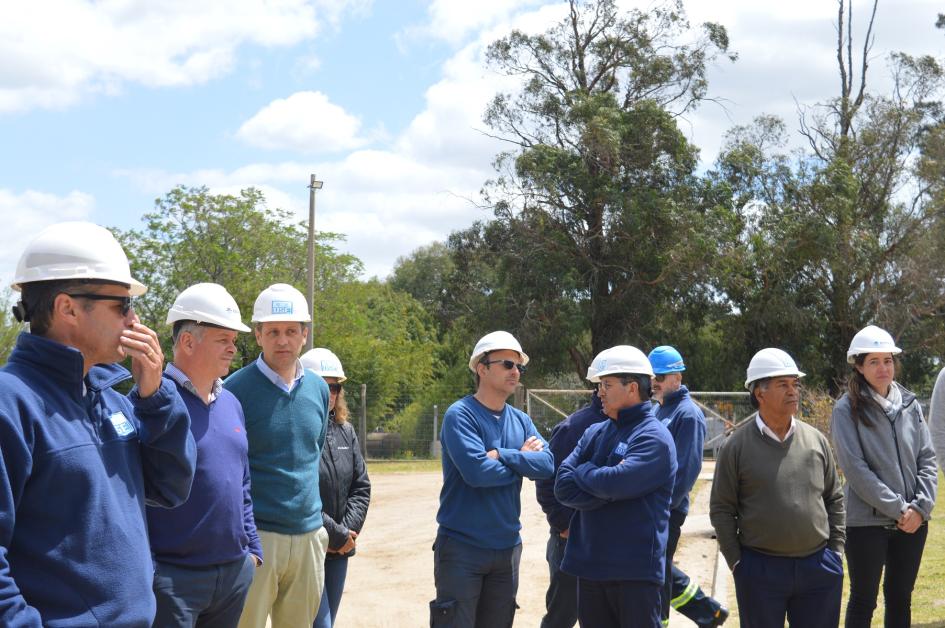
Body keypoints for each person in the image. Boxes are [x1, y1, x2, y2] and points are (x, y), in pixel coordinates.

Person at [0, 221, 196, 626]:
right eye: (122, 305)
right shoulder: (11, 402)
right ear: (67, 308)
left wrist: (155, 398)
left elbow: (171, 488)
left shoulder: (111, 398)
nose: (134, 318)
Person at [148, 283, 263, 627]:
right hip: (172, 582)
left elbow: (241, 482)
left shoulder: (231, 403)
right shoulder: (152, 402)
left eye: (233, 340)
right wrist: (153, 572)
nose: (233, 348)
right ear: (187, 341)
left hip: (232, 576)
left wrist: (252, 552)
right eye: (223, 339)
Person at [710, 348, 845, 628]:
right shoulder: (736, 447)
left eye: (795, 384)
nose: (793, 391)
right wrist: (738, 564)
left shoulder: (816, 440)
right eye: (783, 385)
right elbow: (722, 509)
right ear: (759, 393)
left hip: (818, 567)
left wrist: (835, 552)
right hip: (759, 570)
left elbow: (835, 498)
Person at [430, 330, 554, 628]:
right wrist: (522, 457)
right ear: (482, 369)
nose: (516, 372)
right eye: (507, 365)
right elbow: (478, 474)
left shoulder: (521, 419)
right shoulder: (460, 415)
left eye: (519, 367)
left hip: (507, 548)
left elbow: (548, 464)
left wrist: (504, 455)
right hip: (462, 547)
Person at [224, 283, 331, 628]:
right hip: (257, 539)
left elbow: (312, 453)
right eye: (272, 331)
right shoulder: (234, 391)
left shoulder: (319, 389)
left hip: (309, 536)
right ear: (257, 335)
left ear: (305, 334)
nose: (282, 340)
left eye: (290, 331)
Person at [555, 345, 677, 628]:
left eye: (606, 385)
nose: (599, 392)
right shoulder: (595, 431)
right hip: (589, 568)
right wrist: (606, 487)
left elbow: (614, 483)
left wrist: (586, 472)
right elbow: (563, 485)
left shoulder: (653, 437)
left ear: (632, 388)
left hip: (634, 574)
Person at [831, 325, 937, 628]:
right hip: (866, 523)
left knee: (900, 596)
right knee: (864, 599)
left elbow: (927, 458)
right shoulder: (844, 410)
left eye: (888, 360)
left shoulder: (910, 404)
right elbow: (855, 470)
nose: (883, 368)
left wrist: (921, 507)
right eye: (874, 361)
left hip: (914, 522)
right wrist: (899, 508)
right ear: (859, 366)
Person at [648, 346, 728, 627]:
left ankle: (664, 621)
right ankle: (708, 612)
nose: (654, 382)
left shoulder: (687, 415)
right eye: (652, 376)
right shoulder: (659, 409)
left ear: (677, 377)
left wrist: (661, 509)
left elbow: (685, 472)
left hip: (666, 511)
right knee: (657, 568)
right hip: (652, 509)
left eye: (660, 375)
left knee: (657, 573)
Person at [534, 359, 608, 628]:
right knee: (562, 617)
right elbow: (546, 480)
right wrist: (563, 523)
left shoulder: (631, 428)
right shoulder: (575, 428)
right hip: (570, 542)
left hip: (608, 543)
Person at [300, 348, 371, 628]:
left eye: (336, 387)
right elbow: (299, 491)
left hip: (340, 549)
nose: (331, 392)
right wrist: (334, 534)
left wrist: (346, 534)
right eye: (324, 385)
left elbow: (361, 485)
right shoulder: (297, 429)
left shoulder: (346, 431)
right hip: (309, 546)